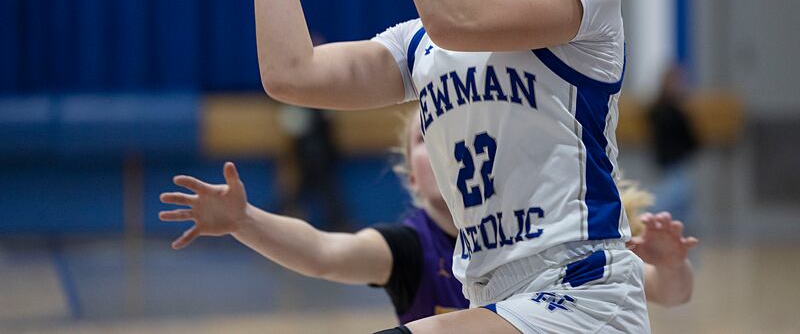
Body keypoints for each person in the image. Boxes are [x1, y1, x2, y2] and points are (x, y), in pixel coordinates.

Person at [203, 0, 648, 330]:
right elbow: (290, 74)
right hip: (492, 298)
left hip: (580, 296)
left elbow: (459, 16)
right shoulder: (421, 44)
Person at [160, 112, 697, 323]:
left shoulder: (543, 233)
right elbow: (324, 253)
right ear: (410, 175)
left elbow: (668, 293)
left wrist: (671, 265)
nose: (443, 147)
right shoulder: (410, 248)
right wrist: (245, 220)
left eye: (456, 134)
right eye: (425, 138)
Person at [647, 64, 699, 226]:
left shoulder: (678, 112)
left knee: (681, 207)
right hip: (669, 165)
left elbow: (692, 139)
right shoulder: (663, 111)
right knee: (666, 203)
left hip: (678, 163)